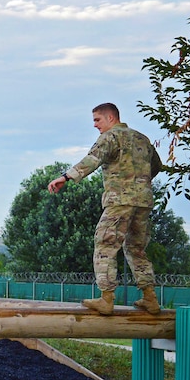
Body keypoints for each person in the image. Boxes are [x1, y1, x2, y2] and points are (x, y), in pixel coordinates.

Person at [47, 102, 163, 315]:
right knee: (136, 249)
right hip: (143, 201)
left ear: (111, 118)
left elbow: (93, 159)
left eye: (97, 120)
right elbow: (156, 165)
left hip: (119, 200)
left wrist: (66, 177)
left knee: (105, 243)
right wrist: (139, 183)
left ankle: (106, 299)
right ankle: (150, 298)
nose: (95, 125)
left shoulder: (111, 137)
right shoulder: (142, 139)